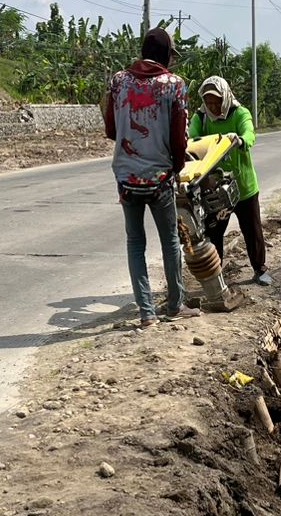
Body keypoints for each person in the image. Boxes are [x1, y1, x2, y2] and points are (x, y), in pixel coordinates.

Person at [103, 26, 199, 325]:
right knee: (170, 240)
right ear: (165, 56)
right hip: (159, 177)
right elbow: (180, 138)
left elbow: (110, 129)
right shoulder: (173, 85)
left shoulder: (118, 81)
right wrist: (177, 166)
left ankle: (145, 313)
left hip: (126, 176)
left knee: (135, 242)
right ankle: (174, 306)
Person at [188, 74, 270, 286]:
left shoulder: (239, 113)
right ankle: (216, 277)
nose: (213, 106)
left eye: (216, 101)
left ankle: (260, 269)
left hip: (243, 187)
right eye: (208, 102)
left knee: (252, 229)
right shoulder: (201, 117)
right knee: (213, 232)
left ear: (225, 98)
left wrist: (241, 140)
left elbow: (249, 132)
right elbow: (192, 139)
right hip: (214, 189)